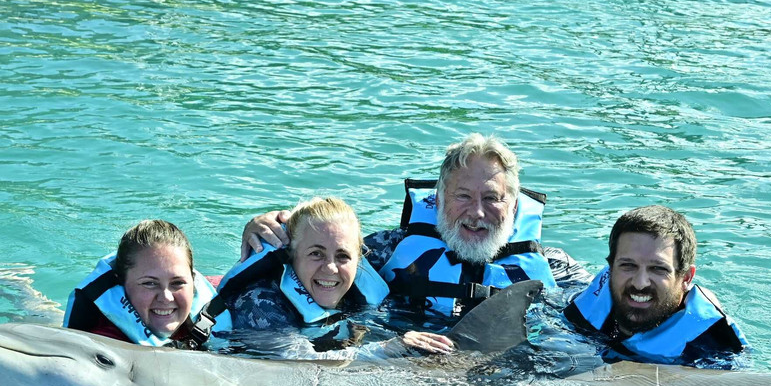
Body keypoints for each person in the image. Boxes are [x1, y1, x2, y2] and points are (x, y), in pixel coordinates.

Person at [241, 134, 591, 347]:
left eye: (492, 198)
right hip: (404, 358)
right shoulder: (389, 249)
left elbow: (607, 312)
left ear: (513, 206)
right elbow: (317, 252)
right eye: (463, 196)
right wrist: (267, 231)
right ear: (438, 200)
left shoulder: (557, 268)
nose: (477, 213)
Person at [212, 197, 451, 356]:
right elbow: (296, 362)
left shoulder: (366, 279)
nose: (331, 268)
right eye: (316, 253)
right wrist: (385, 350)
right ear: (291, 256)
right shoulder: (260, 303)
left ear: (359, 259)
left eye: (343, 256)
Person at [562, 205, 748, 368]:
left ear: (686, 277)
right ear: (611, 268)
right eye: (628, 265)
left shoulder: (711, 350)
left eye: (658, 269)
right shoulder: (585, 310)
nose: (640, 283)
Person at [64, 219, 217, 349]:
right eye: (149, 283)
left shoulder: (224, 301)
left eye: (177, 282)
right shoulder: (107, 344)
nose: (166, 297)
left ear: (193, 281)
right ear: (122, 284)